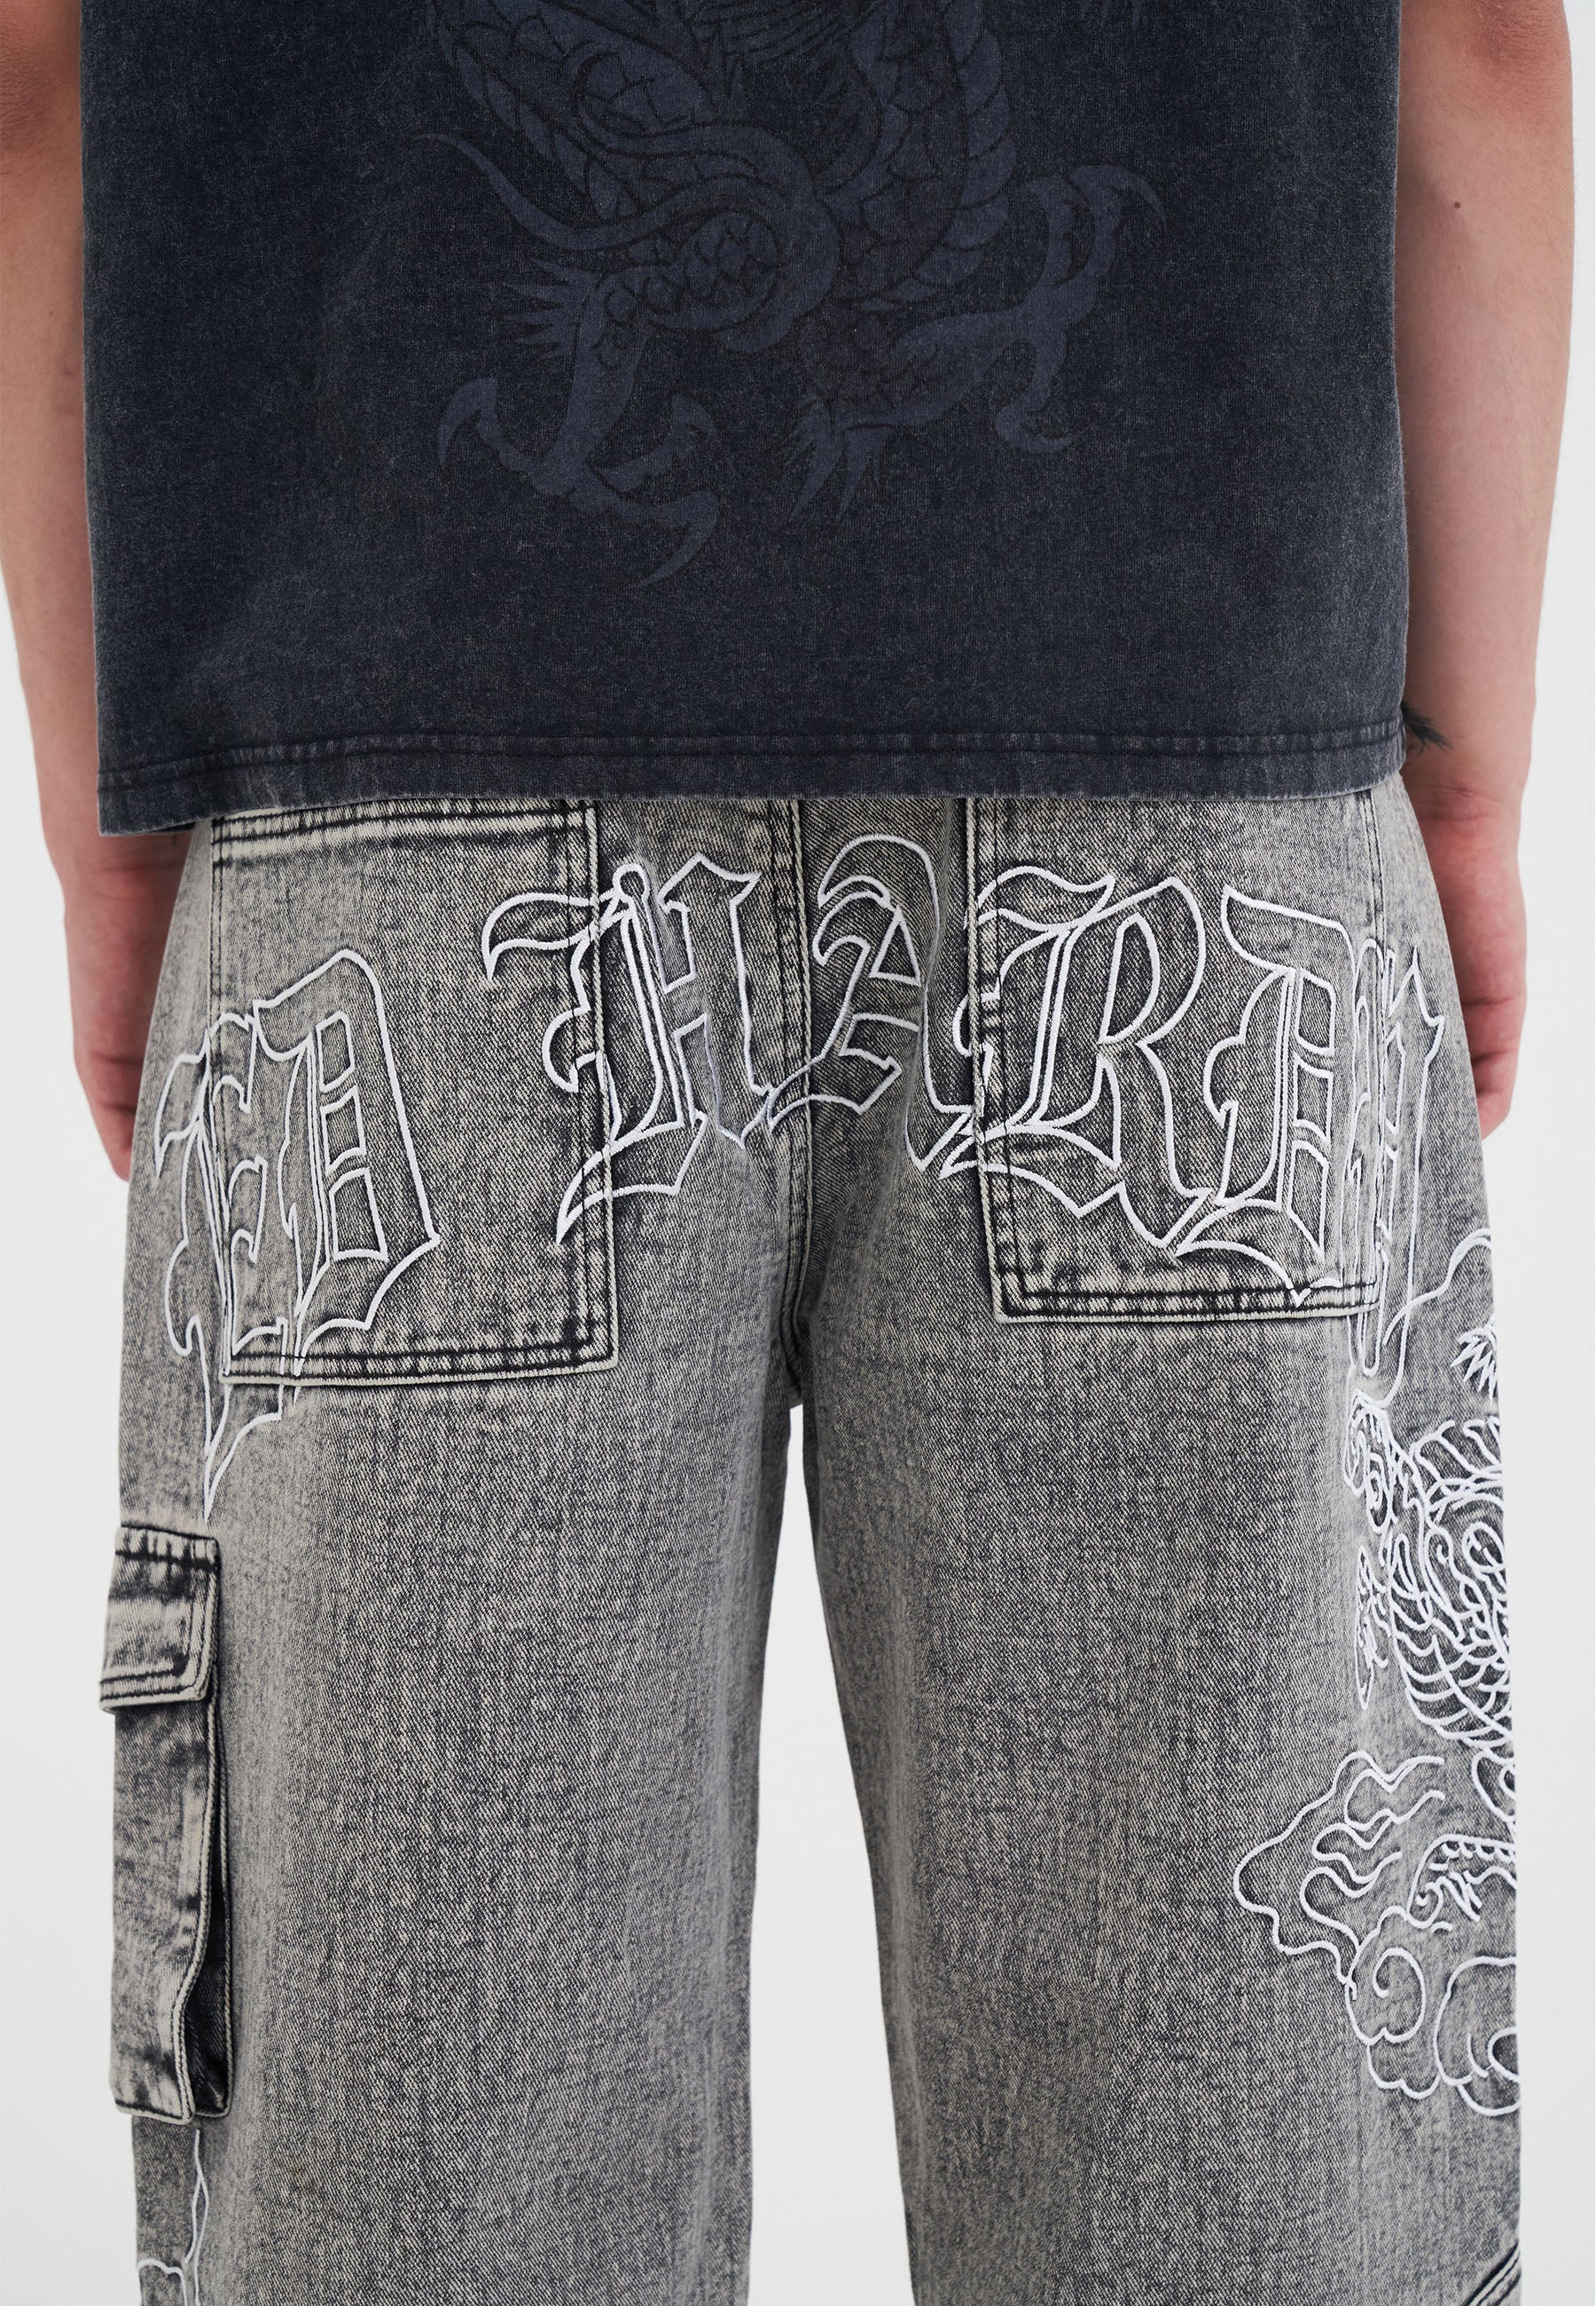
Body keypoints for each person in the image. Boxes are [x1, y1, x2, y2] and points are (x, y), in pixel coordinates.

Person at [0, 0, 1572, 2295]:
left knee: (427, 2191)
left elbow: (42, 73)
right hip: (1187, 796)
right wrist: (1470, 777)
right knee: (1245, 2183)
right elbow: (1483, 47)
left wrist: (108, 823)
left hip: (406, 786)